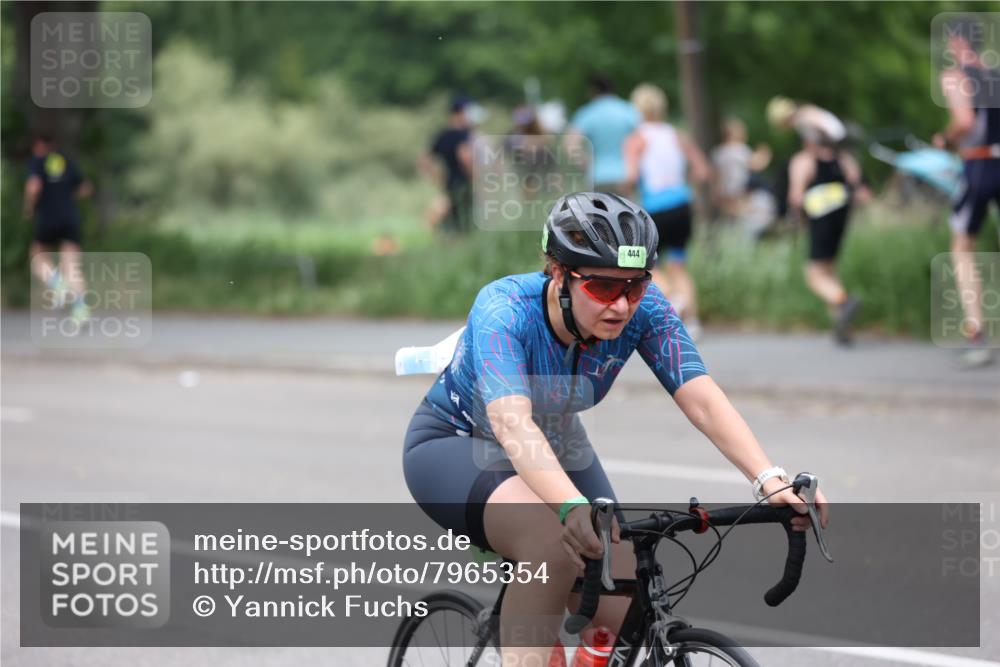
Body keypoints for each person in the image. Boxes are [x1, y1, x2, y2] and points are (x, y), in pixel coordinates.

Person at [402, 192, 829, 664]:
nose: (622, 305)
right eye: (603, 287)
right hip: (457, 443)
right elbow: (511, 423)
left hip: (555, 442)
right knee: (553, 543)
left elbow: (702, 398)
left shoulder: (644, 311)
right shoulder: (505, 310)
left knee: (625, 593)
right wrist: (568, 506)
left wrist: (768, 478)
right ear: (559, 274)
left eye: (635, 286)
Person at [933, 17, 1000, 368]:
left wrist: (945, 139)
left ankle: (977, 333)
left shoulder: (955, 76)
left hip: (979, 164)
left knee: (962, 249)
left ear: (958, 41)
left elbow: (964, 122)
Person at [778, 101, 871, 345]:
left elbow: (796, 197)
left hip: (820, 216)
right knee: (829, 269)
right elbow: (857, 184)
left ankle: (844, 301)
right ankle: (842, 327)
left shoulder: (804, 160)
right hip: (842, 213)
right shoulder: (844, 159)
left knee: (814, 275)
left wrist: (794, 214)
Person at [623, 83, 710, 340]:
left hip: (655, 209)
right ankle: (692, 321)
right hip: (682, 204)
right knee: (679, 266)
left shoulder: (636, 139)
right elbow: (702, 170)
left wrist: (626, 190)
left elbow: (631, 175)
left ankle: (675, 302)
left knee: (651, 266)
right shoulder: (677, 134)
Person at [23, 133, 93, 323]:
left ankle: (57, 284)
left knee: (37, 257)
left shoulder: (38, 161)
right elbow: (86, 188)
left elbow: (33, 187)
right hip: (70, 218)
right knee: (72, 267)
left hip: (48, 218)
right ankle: (81, 310)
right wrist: (65, 195)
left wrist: (29, 207)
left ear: (39, 144)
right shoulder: (66, 161)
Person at [564, 75, 640, 195]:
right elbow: (642, 139)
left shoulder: (587, 113)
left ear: (593, 91)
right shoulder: (628, 110)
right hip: (625, 176)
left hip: (597, 177)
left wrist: (586, 165)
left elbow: (570, 144)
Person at [418, 96, 475, 235]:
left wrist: (437, 179)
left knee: (453, 222)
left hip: (449, 183)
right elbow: (465, 157)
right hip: (465, 183)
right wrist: (475, 177)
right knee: (466, 223)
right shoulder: (463, 135)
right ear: (461, 113)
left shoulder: (442, 135)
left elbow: (423, 161)